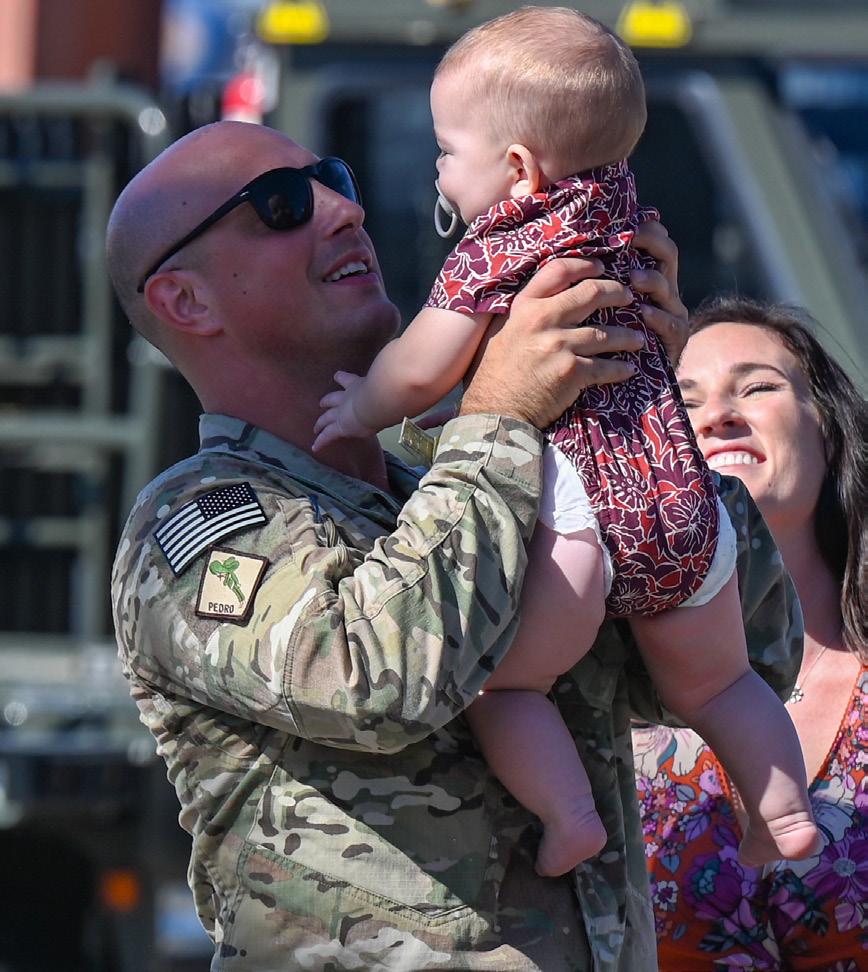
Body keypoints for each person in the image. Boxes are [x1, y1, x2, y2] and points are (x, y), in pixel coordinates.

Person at [106, 118, 803, 971]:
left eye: (336, 180)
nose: (344, 211)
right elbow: (375, 680)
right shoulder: (196, 521)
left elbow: (753, 656)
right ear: (185, 300)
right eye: (283, 204)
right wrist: (500, 414)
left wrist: (640, 421)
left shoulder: (477, 483)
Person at [311, 6, 818, 877]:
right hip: (684, 505)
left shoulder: (497, 248)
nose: (438, 169)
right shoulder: (631, 221)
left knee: (505, 684)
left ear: (517, 167)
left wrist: (362, 406)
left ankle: (570, 815)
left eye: (446, 151)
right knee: (721, 684)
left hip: (581, 519)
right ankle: (785, 812)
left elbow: (422, 369)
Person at [633, 297, 868, 970]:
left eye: (757, 387)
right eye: (684, 402)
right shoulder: (592, 692)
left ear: (828, 433)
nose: (716, 415)